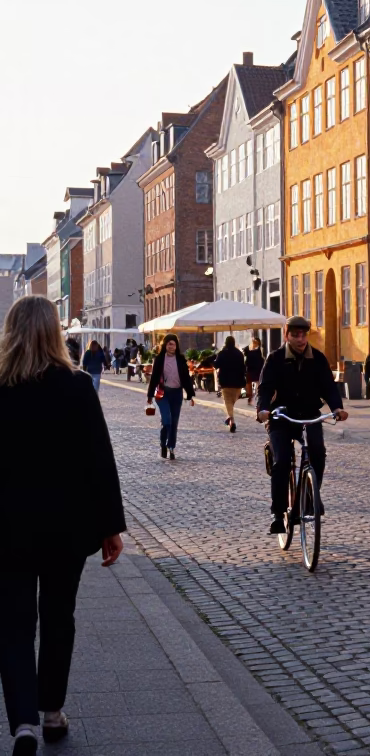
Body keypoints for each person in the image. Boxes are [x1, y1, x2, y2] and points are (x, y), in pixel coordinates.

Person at [0, 296, 125, 756]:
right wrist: (111, 526)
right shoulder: (76, 389)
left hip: (7, 529)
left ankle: (23, 724)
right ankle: (51, 711)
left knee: (12, 625)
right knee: (58, 617)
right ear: (55, 333)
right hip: (65, 529)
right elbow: (99, 462)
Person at [257, 317, 348, 535]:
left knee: (318, 453)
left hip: (309, 415)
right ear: (286, 335)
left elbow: (328, 386)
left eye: (303, 335)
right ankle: (277, 513)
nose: (300, 339)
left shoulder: (317, 358)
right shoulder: (275, 358)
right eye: (295, 335)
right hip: (281, 417)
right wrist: (262, 410)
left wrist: (337, 408)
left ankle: (311, 497)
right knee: (281, 461)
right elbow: (265, 387)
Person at [146, 334, 196, 460]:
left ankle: (171, 447)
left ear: (176, 346)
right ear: (165, 345)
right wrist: (150, 395)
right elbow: (154, 377)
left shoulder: (180, 359)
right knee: (166, 420)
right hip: (162, 394)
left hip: (177, 394)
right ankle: (163, 443)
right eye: (169, 344)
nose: (171, 346)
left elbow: (185, 377)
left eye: (173, 344)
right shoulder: (159, 359)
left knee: (174, 422)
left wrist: (190, 393)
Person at [214, 336, 246, 433]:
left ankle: (231, 420)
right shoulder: (239, 354)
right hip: (238, 382)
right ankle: (229, 418)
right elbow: (243, 368)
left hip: (225, 381)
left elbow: (217, 365)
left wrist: (212, 361)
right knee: (231, 401)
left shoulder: (222, 353)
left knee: (228, 402)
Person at [243, 337, 265, 405]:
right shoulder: (247, 349)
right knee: (249, 383)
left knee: (258, 384)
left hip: (258, 369)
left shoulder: (260, 349)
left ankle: (259, 397)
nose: (254, 343)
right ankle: (250, 396)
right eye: (253, 342)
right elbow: (245, 356)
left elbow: (263, 358)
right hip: (250, 368)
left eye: (256, 342)